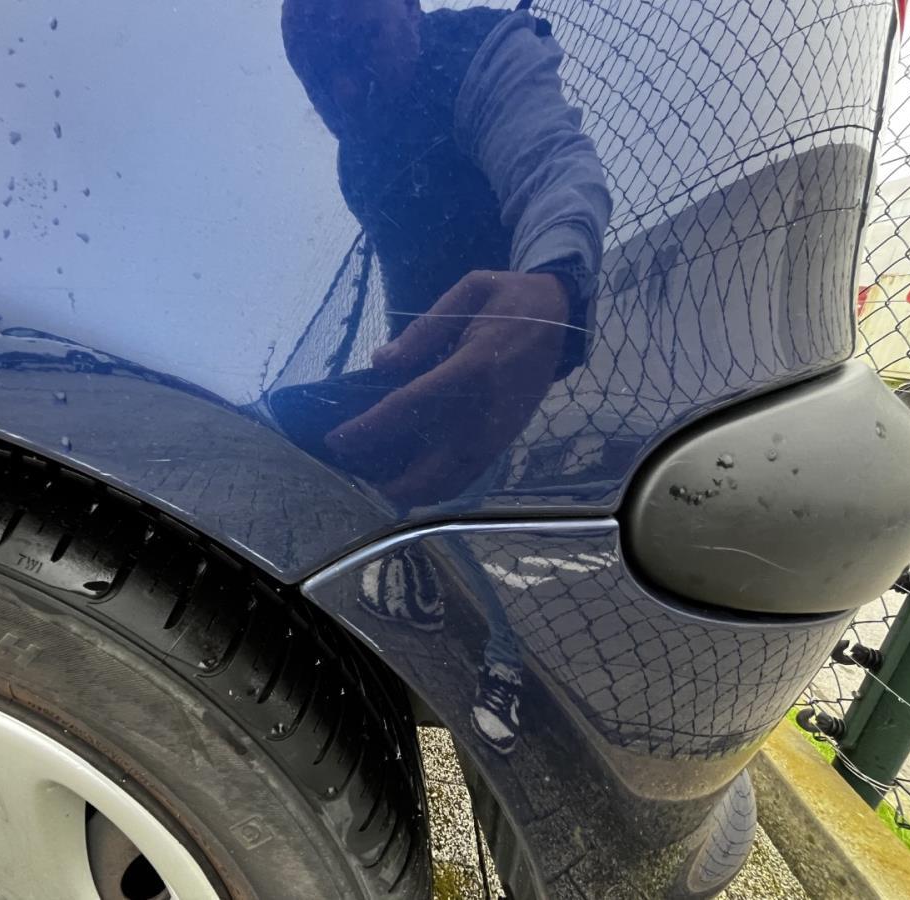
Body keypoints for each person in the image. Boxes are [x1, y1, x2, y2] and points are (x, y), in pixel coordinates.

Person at [279, 0, 612, 754]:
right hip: (432, 351)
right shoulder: (354, 157)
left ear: (411, 12)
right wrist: (402, 358)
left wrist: (555, 283)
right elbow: (401, 269)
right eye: (317, 74)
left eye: (361, 45)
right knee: (329, 434)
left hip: (513, 341)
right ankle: (422, 576)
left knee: (486, 511)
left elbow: (554, 162)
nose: (344, 89)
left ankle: (509, 661)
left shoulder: (481, 52)